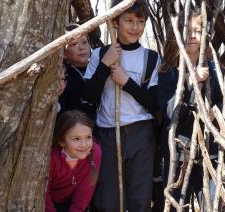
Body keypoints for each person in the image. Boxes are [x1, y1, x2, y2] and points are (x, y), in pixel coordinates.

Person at [84, 0, 160, 211]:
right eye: (128, 20)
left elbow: (153, 104)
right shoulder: (100, 55)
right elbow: (89, 96)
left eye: (140, 21)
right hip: (108, 133)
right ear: (116, 21)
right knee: (108, 197)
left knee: (139, 196)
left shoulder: (151, 58)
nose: (135, 27)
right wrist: (104, 65)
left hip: (141, 134)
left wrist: (126, 82)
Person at [157, 9, 222, 209]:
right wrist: (190, 82)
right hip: (178, 150)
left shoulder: (212, 68)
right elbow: (170, 112)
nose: (193, 35)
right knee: (177, 203)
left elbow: (221, 102)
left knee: (209, 204)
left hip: (207, 151)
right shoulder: (168, 71)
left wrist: (215, 112)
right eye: (188, 30)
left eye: (198, 30)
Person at [46, 110, 102, 212]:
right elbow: (44, 192)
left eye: (88, 137)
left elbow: (85, 191)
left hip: (73, 205)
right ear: (62, 141)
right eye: (76, 139)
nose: (84, 145)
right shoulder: (52, 158)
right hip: (49, 205)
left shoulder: (95, 152)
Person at [59, 24, 97, 119]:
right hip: (72, 125)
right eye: (74, 44)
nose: (81, 47)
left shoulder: (97, 68)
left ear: (90, 45)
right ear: (64, 53)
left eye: (84, 42)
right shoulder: (63, 75)